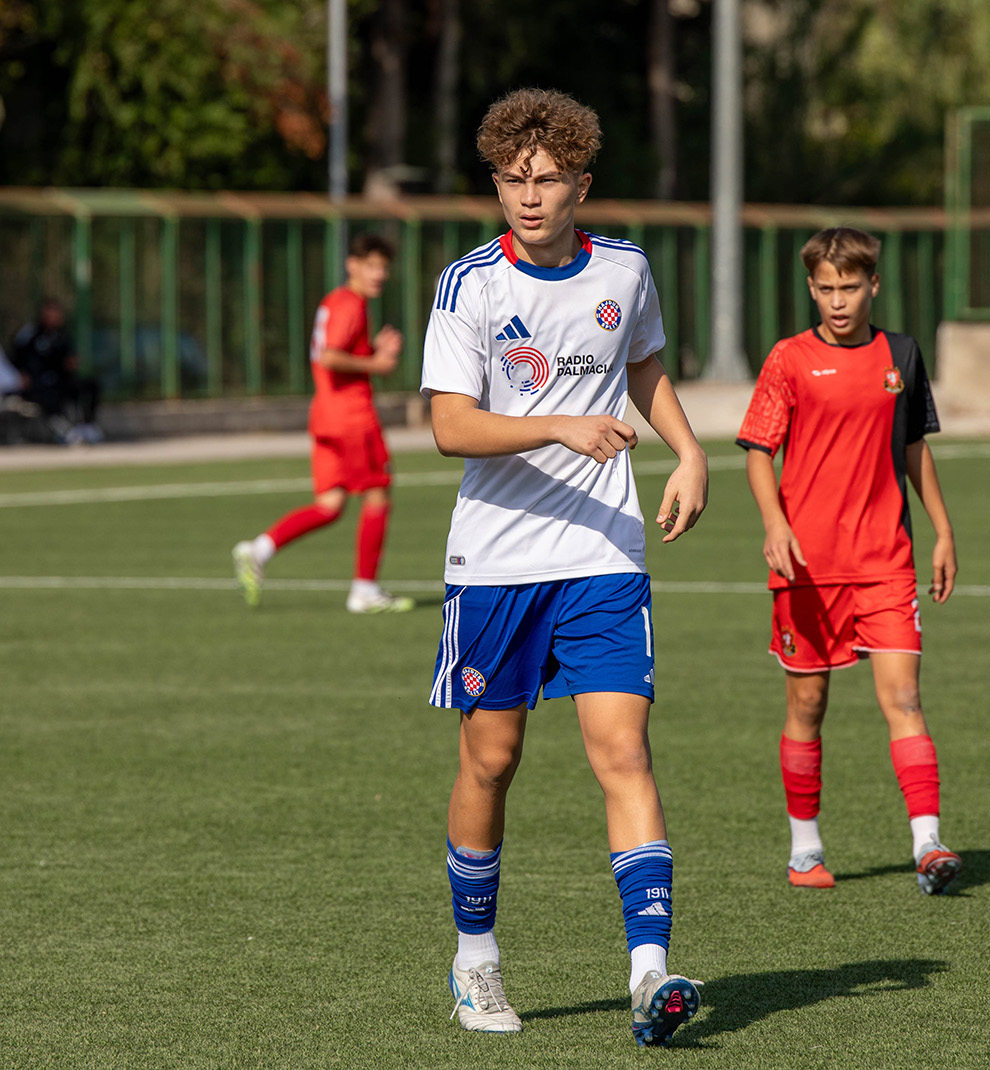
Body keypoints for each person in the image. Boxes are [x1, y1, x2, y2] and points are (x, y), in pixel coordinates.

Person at [421, 87, 709, 1045]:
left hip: (602, 553)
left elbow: (645, 368)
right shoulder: (469, 285)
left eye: (545, 180)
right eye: (511, 180)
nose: (527, 196)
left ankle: (650, 975)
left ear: (582, 183)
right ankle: (475, 964)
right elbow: (449, 427)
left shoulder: (624, 270)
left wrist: (690, 451)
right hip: (496, 563)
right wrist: (556, 423)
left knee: (622, 751)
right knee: (491, 759)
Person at [736, 226, 963, 895]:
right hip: (806, 566)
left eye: (850, 287)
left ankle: (927, 842)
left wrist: (942, 530)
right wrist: (774, 524)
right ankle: (804, 849)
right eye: (825, 288)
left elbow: (914, 446)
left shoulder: (901, 354)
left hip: (885, 562)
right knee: (807, 706)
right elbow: (757, 450)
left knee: (903, 697)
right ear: (811, 287)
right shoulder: (788, 359)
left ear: (873, 285)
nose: (838, 301)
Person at [231, 233, 414, 614]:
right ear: (352, 265)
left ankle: (259, 550)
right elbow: (331, 356)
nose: (379, 275)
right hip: (352, 418)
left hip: (326, 416)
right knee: (379, 492)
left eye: (384, 267)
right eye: (372, 266)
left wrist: (371, 353)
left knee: (330, 505)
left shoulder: (335, 302)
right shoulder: (351, 304)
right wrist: (376, 363)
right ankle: (364, 590)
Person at [10, 298, 101, 443]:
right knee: (47, 395)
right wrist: (20, 374)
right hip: (37, 383)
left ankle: (87, 425)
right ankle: (63, 431)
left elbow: (68, 358)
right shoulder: (30, 333)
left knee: (89, 385)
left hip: (60, 380)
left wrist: (71, 363)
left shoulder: (62, 336)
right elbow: (16, 357)